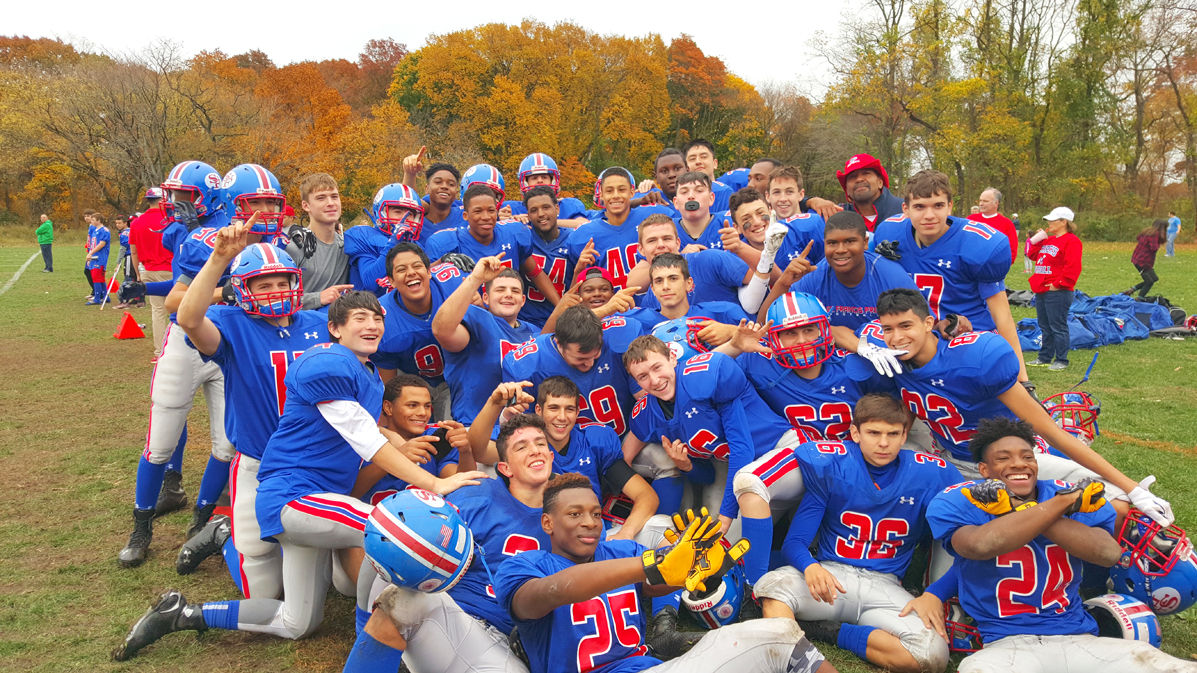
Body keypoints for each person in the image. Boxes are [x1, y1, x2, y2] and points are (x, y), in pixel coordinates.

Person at [111, 291, 486, 661]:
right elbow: (363, 435)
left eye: (377, 318)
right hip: (295, 494)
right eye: (360, 318)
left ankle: (182, 614)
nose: (372, 325)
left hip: (320, 499)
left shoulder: (367, 373)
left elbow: (368, 424)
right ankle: (369, 640)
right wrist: (434, 483)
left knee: (298, 621)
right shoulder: (327, 363)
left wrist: (398, 439)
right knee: (394, 532)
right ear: (335, 329)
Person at [873, 287, 1175, 528]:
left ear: (928, 323)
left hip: (1014, 459)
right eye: (888, 329)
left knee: (1118, 502)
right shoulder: (889, 359)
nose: (897, 337)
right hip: (955, 463)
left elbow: (1049, 429)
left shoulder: (973, 358)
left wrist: (1132, 487)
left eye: (905, 326)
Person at [925, 417, 1196, 673]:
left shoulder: (1062, 495)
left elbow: (1107, 553)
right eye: (1003, 458)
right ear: (984, 470)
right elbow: (978, 546)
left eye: (1027, 456)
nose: (1019, 464)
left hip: (1077, 637)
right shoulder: (964, 500)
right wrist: (1056, 506)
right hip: (1007, 643)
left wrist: (1032, 508)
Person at [493, 473, 838, 673]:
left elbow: (655, 581)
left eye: (597, 514)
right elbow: (555, 591)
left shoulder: (620, 550)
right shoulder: (524, 565)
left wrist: (697, 568)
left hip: (647, 668)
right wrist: (649, 564)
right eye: (575, 514)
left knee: (778, 632)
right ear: (548, 522)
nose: (590, 522)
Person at [117, 163, 284, 568]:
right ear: (230, 203)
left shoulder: (280, 245)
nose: (264, 210)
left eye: (270, 202)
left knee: (227, 445)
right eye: (253, 202)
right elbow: (176, 302)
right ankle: (141, 529)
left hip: (238, 351)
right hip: (190, 347)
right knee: (161, 443)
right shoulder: (207, 239)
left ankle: (201, 521)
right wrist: (231, 288)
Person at [172, 219, 330, 593]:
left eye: (282, 282)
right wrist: (218, 260)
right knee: (261, 588)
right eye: (264, 284)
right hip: (258, 457)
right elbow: (188, 318)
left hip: (314, 458)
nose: (276, 291)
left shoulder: (320, 323)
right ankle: (225, 533)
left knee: (324, 572)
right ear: (243, 290)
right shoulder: (232, 323)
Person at [755, 394, 960, 673]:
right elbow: (796, 542)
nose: (884, 443)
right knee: (773, 588)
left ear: (904, 436)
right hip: (831, 578)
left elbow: (964, 543)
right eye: (874, 433)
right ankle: (801, 662)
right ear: (855, 433)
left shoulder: (929, 474)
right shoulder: (833, 466)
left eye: (893, 434)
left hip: (887, 585)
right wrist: (810, 566)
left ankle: (830, 632)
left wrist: (934, 593)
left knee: (932, 654)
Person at [345, 413, 557, 673]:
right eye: (522, 447)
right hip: (450, 617)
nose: (535, 451)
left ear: (551, 456)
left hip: (507, 646)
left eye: (540, 444)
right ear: (505, 467)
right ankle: (365, 630)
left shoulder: (569, 515)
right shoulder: (477, 493)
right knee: (395, 549)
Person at [872, 170, 1029, 383]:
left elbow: (1002, 315)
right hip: (918, 345)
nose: (929, 215)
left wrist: (1022, 378)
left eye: (937, 205)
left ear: (950, 207)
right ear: (905, 209)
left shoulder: (977, 244)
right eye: (919, 206)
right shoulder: (890, 233)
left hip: (969, 347)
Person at [502, 304, 643, 436]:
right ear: (559, 343)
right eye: (581, 359)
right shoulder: (524, 365)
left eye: (596, 355)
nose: (589, 363)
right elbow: (521, 428)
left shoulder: (621, 336)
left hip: (626, 438)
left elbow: (646, 399)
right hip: (558, 450)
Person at [432, 255, 538, 426]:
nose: (508, 295)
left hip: (522, 430)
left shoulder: (535, 332)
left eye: (515, 291)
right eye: (500, 290)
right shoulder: (476, 319)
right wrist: (475, 279)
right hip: (475, 428)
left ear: (523, 301)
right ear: (486, 298)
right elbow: (441, 330)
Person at [370, 242, 463, 419]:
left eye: (417, 266)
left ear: (429, 271)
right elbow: (390, 384)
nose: (411, 272)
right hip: (413, 379)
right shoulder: (382, 318)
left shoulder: (453, 284)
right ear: (391, 281)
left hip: (460, 375)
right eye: (401, 269)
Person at [568, 167, 672, 289]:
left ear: (632, 192)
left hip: (655, 303)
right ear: (601, 194)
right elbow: (576, 292)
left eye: (621, 190)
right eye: (609, 191)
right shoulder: (584, 235)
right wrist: (579, 269)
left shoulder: (654, 215)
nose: (616, 195)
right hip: (610, 306)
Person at [285, 173, 353, 310]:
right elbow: (275, 299)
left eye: (334, 196)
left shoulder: (348, 245)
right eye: (321, 198)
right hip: (299, 326)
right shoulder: (293, 246)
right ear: (306, 205)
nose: (330, 203)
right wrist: (318, 298)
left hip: (338, 325)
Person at [1026, 207, 1082, 371]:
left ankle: (1061, 360)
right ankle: (1044, 357)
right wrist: (1037, 240)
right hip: (1042, 289)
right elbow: (1032, 255)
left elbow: (1072, 266)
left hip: (1058, 291)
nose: (1049, 223)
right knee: (1044, 326)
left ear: (1064, 222)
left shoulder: (1071, 241)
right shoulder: (1049, 240)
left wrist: (1058, 284)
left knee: (1057, 326)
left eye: (1052, 220)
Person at [803, 154, 906, 229]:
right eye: (852, 177)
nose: (859, 179)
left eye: (866, 173)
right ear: (847, 190)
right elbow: (792, 212)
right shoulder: (837, 214)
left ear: (880, 183)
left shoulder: (906, 209)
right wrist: (810, 201)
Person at [520, 185, 574, 326]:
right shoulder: (521, 237)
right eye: (534, 210)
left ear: (557, 209)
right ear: (528, 215)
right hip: (526, 320)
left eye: (546, 207)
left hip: (564, 320)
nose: (541, 214)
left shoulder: (573, 239)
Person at [682, 139, 735, 212]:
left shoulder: (725, 192)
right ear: (686, 167)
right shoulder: (681, 195)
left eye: (703, 157)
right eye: (692, 159)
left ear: (715, 163)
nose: (698, 162)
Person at [967, 188, 1018, 265]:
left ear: (996, 203)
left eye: (985, 201)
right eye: (980, 200)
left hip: (992, 270)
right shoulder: (970, 220)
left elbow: (1011, 252)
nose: (981, 204)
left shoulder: (1007, 224)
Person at [1127, 218, 1168, 298]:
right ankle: (1139, 299)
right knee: (1149, 281)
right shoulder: (1155, 234)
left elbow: (1138, 238)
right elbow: (1154, 248)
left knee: (1154, 278)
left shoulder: (1147, 232)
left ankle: (1131, 290)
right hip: (1143, 261)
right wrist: (1159, 243)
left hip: (1138, 259)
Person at [83, 210, 110, 305]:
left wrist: (91, 253)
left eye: (93, 220)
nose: (91, 221)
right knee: (99, 278)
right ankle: (106, 297)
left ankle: (97, 298)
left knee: (96, 277)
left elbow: (102, 244)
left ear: (98, 220)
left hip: (100, 257)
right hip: (94, 256)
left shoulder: (104, 231)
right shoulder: (95, 230)